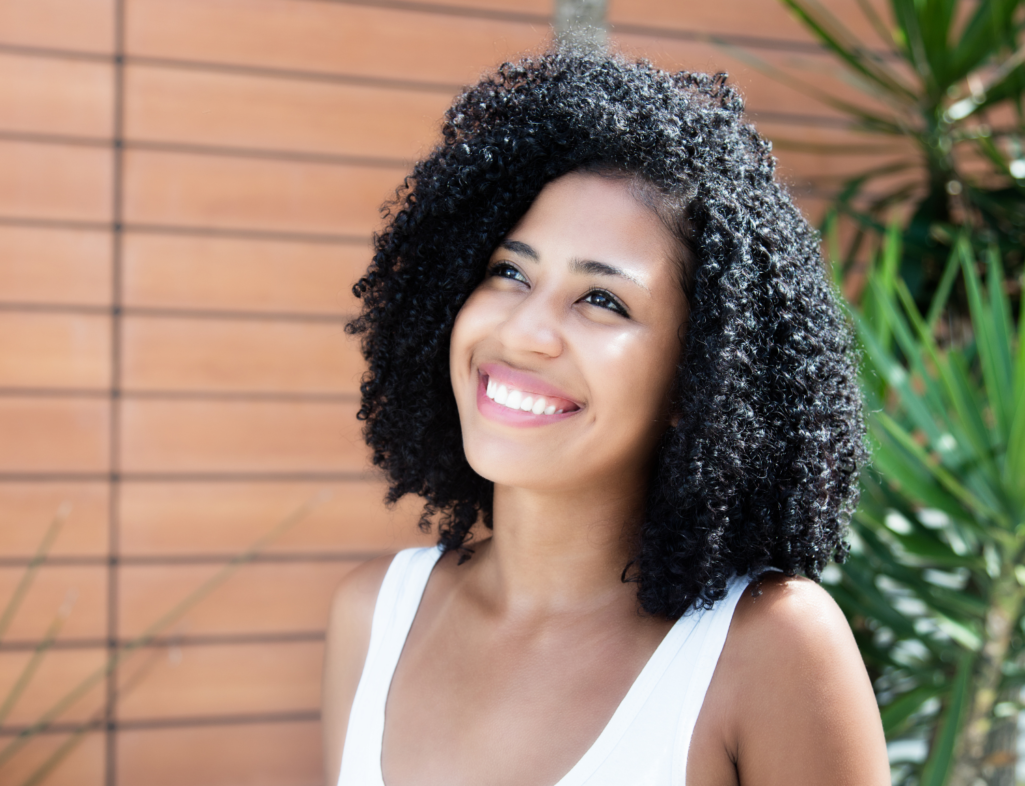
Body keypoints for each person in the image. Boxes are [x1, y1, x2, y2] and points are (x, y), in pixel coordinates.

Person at [322, 48, 890, 786]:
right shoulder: (375, 617)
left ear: (701, 376)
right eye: (509, 272)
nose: (525, 330)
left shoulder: (767, 647)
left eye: (602, 300)